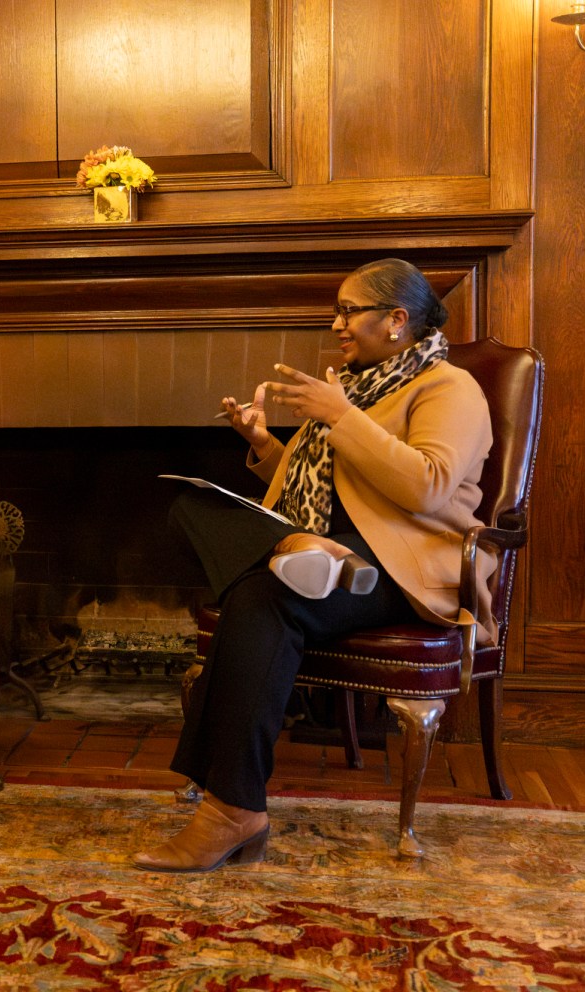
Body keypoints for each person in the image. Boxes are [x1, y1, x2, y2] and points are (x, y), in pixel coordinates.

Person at [135, 257, 497, 873]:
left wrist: (338, 416)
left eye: (349, 310)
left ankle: (231, 811)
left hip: (399, 566)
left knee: (259, 599)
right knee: (190, 506)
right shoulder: (355, 387)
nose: (337, 324)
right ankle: (300, 552)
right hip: (329, 547)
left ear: (396, 320)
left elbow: (431, 487)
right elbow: (328, 489)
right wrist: (264, 445)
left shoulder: (447, 388)